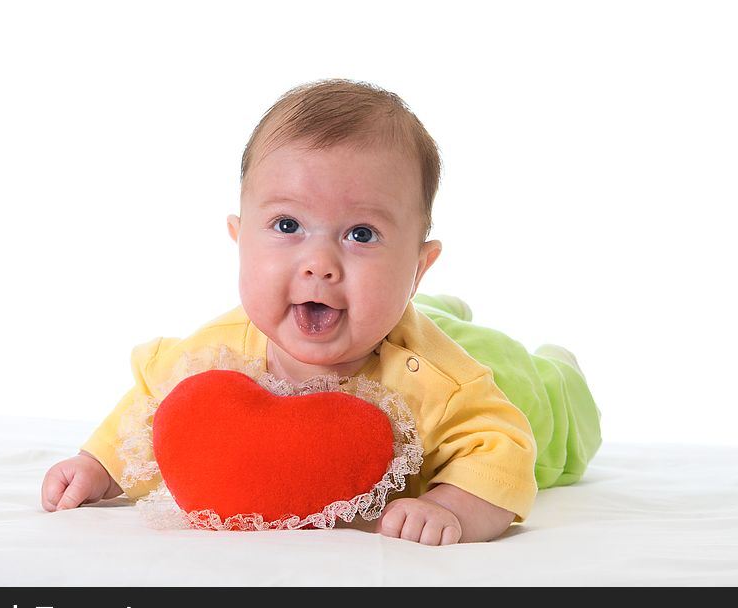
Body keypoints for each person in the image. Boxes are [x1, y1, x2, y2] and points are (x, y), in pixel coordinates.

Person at [41, 79, 601, 545]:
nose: (320, 264)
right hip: (394, 310)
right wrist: (99, 468)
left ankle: (557, 368)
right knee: (419, 315)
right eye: (288, 226)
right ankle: (438, 308)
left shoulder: (444, 383)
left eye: (361, 234)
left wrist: (452, 505)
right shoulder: (215, 355)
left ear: (417, 266)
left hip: (507, 380)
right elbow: (149, 407)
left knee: (551, 413)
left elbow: (503, 447)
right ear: (240, 240)